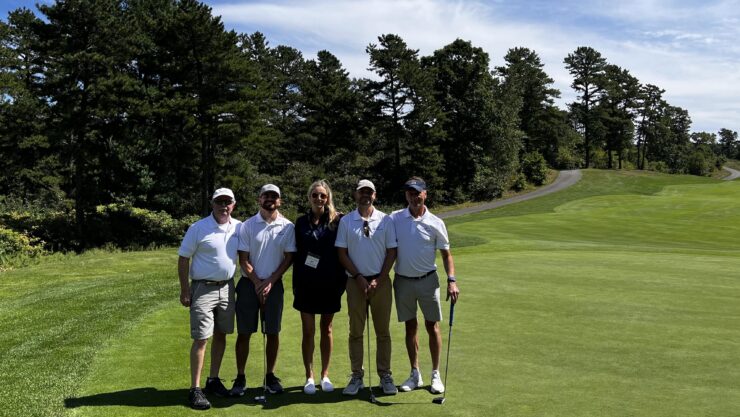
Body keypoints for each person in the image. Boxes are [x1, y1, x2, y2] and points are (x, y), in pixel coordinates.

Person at [390, 177, 459, 394]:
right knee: (411, 327)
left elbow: (446, 255)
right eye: (410, 192)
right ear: (406, 196)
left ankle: (435, 374)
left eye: (417, 192)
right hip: (402, 281)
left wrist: (452, 280)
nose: (414, 196)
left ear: (425, 194)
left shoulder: (436, 222)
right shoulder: (395, 219)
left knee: (432, 326)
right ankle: (415, 373)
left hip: (429, 280)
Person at [178, 188, 241, 410]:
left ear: (233, 204)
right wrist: (185, 290)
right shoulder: (198, 227)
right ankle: (195, 389)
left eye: (228, 202)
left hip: (227, 288)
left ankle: (213, 380)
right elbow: (184, 258)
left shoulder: (239, 227)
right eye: (219, 202)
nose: (224, 206)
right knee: (202, 337)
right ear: (212, 203)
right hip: (202, 288)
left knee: (222, 334)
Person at [230, 184, 296, 396]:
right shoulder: (248, 225)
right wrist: (259, 282)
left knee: (272, 332)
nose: (270, 199)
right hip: (250, 284)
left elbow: (288, 258)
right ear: (259, 199)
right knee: (244, 332)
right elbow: (243, 259)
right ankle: (240, 377)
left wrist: (270, 281)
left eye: (274, 196)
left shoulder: (287, 226)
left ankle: (270, 375)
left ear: (280, 201)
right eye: (266, 196)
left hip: (274, 285)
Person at [335, 179, 399, 396]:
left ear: (375, 195)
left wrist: (379, 279)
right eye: (362, 192)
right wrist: (359, 277)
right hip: (355, 283)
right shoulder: (346, 222)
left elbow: (392, 252)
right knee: (356, 332)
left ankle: (385, 375)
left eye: (369, 192)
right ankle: (357, 376)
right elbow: (341, 254)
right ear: (355, 195)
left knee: (383, 332)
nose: (365, 195)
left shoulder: (386, 220)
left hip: (380, 283)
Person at [292, 180, 346, 394]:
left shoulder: (337, 220)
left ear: (328, 198)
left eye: (322, 195)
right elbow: (295, 252)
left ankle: (324, 375)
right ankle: (309, 376)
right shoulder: (300, 222)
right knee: (308, 331)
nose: (318, 199)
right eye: (315, 195)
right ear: (309, 197)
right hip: (306, 283)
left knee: (327, 329)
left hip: (330, 282)